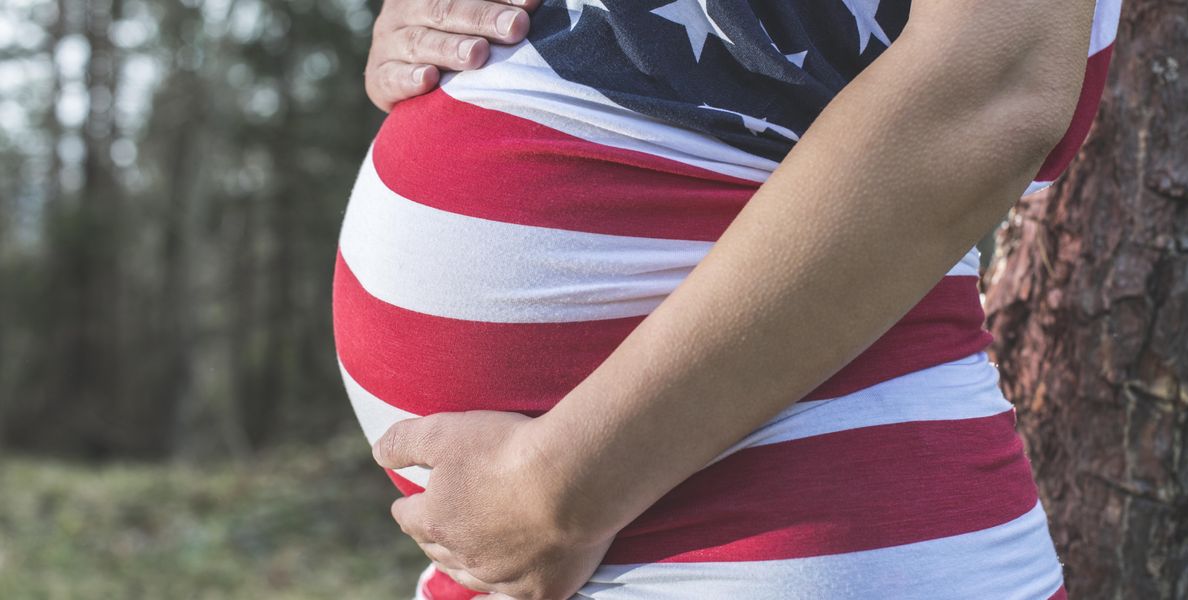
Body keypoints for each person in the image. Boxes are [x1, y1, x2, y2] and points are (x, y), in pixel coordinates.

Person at [333, 1, 1122, 598]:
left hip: (776, 500)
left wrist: (566, 487)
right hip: (550, 514)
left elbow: (995, 82)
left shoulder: (568, 490)